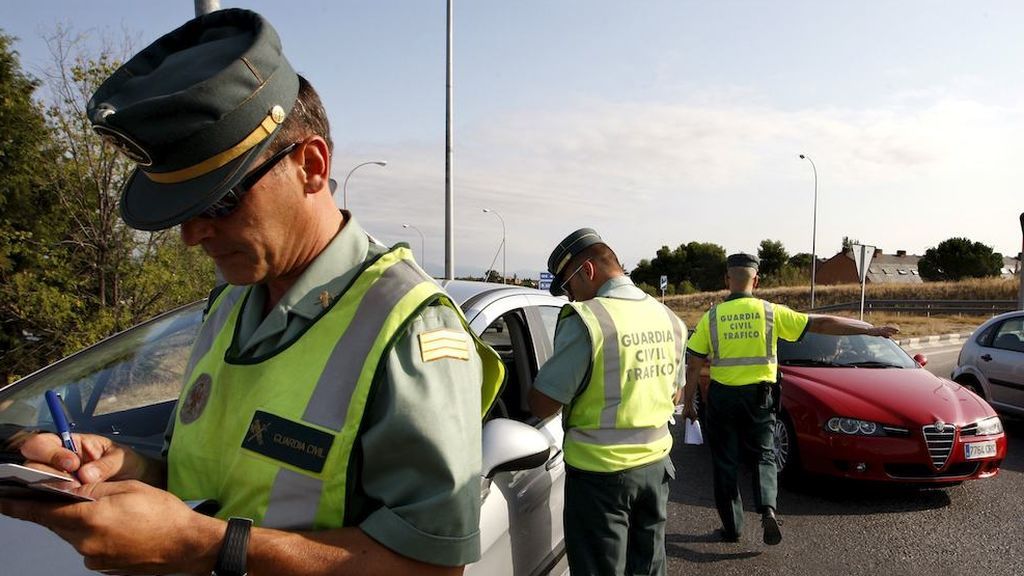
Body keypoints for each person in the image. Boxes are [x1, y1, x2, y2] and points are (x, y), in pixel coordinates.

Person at [0, 9, 503, 575]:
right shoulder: (233, 300)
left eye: (218, 202)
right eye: (182, 213)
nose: (193, 236)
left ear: (311, 165)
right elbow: (208, 477)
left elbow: (432, 567)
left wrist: (204, 546)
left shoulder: (409, 330)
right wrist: (126, 466)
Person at [682, 253, 898, 546]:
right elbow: (822, 324)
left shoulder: (713, 317)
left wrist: (689, 405)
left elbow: (694, 364)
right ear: (756, 281)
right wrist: (869, 330)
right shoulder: (771, 312)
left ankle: (732, 528)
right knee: (763, 455)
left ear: (726, 280)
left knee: (725, 463)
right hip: (760, 397)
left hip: (723, 399)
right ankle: (768, 509)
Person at [528, 228, 687, 576]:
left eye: (569, 287)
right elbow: (676, 394)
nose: (570, 299)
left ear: (586, 271)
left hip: (601, 478)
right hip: (656, 469)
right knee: (648, 567)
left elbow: (543, 405)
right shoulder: (669, 319)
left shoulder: (589, 320)